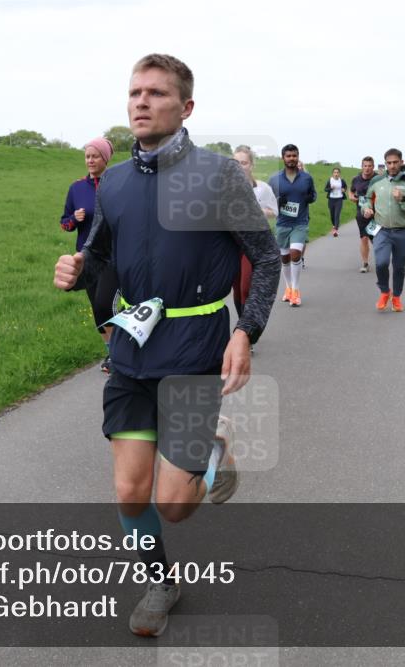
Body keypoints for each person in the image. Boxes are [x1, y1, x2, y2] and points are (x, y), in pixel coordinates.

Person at [53, 54, 280, 638]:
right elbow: (99, 255)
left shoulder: (218, 175)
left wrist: (244, 331)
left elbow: (266, 254)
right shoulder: (118, 182)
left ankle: (212, 449)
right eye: (135, 92)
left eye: (156, 92)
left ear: (186, 107)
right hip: (132, 350)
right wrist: (77, 270)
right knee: (130, 491)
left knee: (176, 505)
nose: (141, 101)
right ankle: (160, 581)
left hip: (194, 349)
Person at [60, 137, 119, 372]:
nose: (90, 160)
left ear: (105, 158)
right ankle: (112, 352)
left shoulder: (116, 184)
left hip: (113, 256)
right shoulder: (77, 188)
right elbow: (64, 223)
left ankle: (119, 354)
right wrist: (74, 218)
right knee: (97, 308)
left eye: (95, 156)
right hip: (86, 259)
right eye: (87, 156)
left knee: (106, 304)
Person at [360, 148, 405, 312]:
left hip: (402, 232)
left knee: (399, 267)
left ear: (401, 162)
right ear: (385, 163)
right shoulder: (377, 181)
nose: (392, 166)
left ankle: (397, 298)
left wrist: (403, 199)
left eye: (395, 162)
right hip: (381, 230)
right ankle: (385, 291)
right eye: (389, 163)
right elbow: (365, 200)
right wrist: (366, 209)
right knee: (381, 264)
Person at [231, 145, 278, 324]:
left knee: (245, 287)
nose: (239, 166)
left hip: (253, 244)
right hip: (231, 244)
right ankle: (242, 324)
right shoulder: (224, 188)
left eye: (243, 162)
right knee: (236, 288)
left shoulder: (263, 188)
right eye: (235, 163)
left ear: (251, 165)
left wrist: (256, 210)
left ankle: (245, 332)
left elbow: (274, 211)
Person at [268, 144, 316, 306]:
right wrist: (276, 201)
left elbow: (314, 196)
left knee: (295, 253)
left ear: (298, 157)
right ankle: (288, 288)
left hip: (300, 222)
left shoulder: (306, 178)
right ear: (283, 158)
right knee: (284, 257)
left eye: (294, 156)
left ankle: (296, 290)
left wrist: (310, 197)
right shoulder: (274, 179)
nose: (291, 159)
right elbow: (267, 201)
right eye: (288, 156)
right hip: (282, 223)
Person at [350, 156, 377, 273]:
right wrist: (351, 196)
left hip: (376, 213)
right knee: (364, 238)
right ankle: (365, 263)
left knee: (375, 238)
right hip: (361, 212)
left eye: (369, 166)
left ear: (373, 167)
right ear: (362, 167)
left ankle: (381, 260)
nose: (367, 168)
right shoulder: (356, 179)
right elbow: (351, 190)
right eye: (365, 166)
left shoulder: (378, 179)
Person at [324, 167, 348, 237]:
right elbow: (325, 189)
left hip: (339, 199)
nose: (336, 174)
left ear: (339, 174)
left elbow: (345, 187)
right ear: (333, 174)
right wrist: (331, 188)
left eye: (337, 172)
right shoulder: (330, 180)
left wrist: (344, 190)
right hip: (331, 199)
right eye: (335, 172)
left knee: (337, 215)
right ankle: (334, 225)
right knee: (332, 215)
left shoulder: (342, 181)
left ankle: (335, 230)